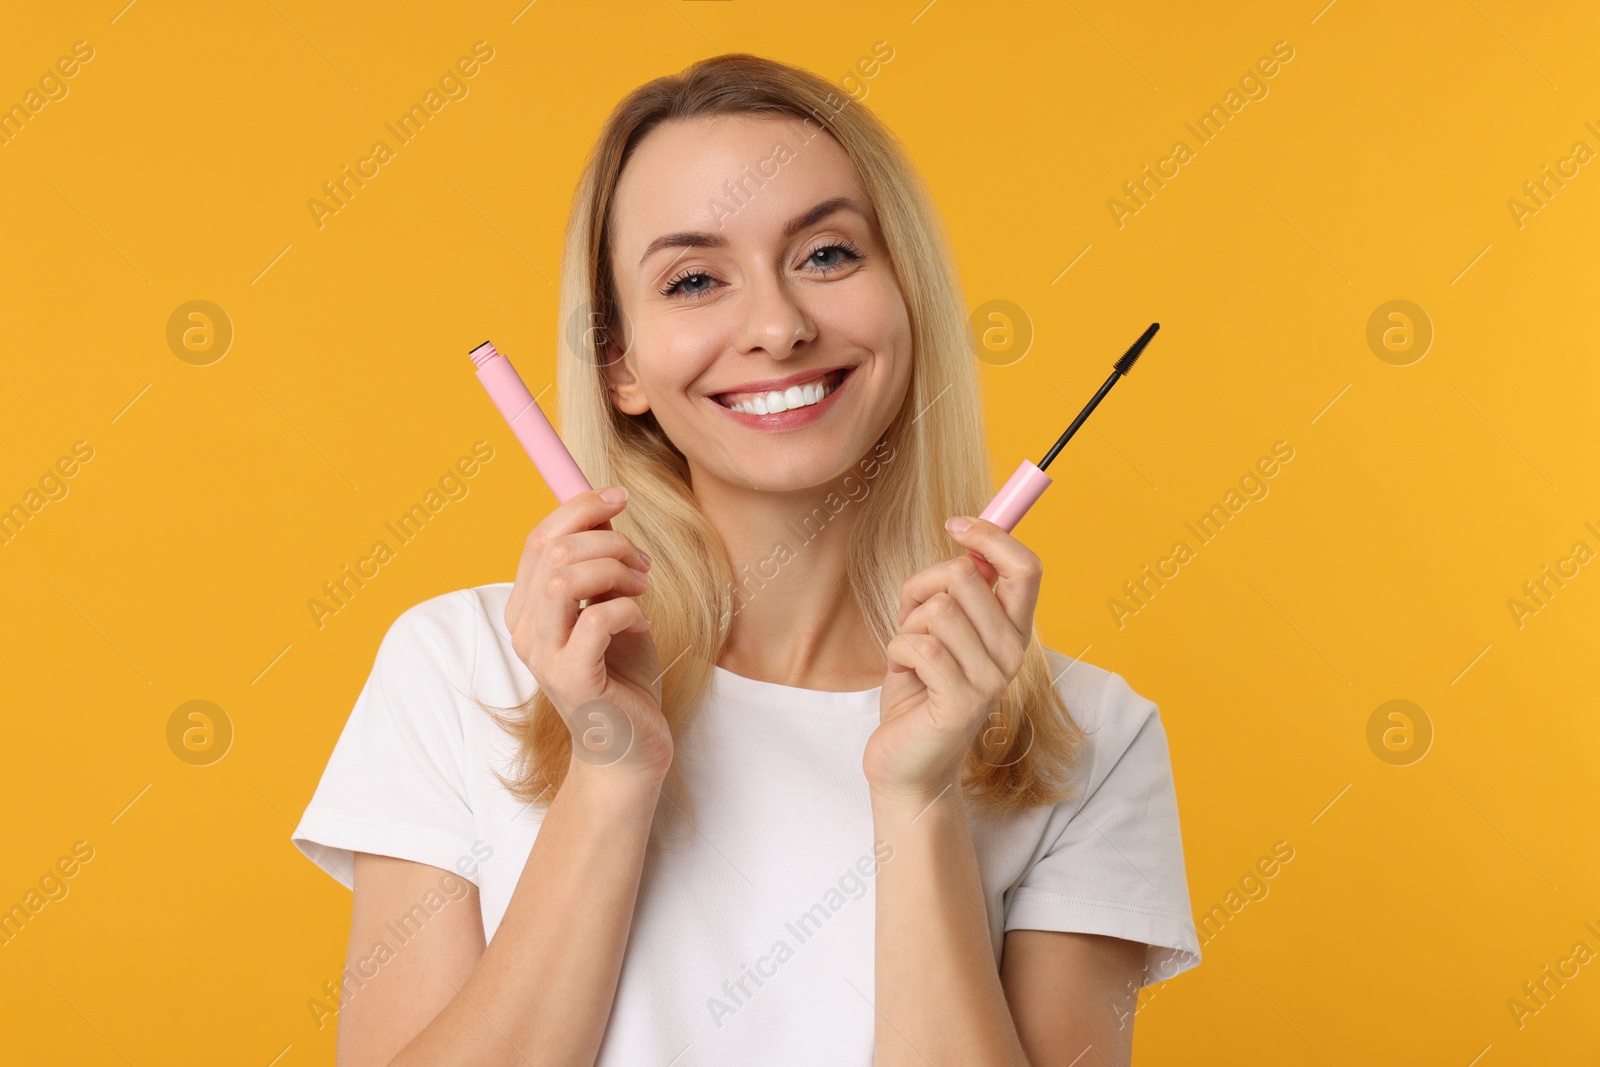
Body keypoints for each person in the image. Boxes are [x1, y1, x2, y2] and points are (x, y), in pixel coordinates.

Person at [292, 52, 1200, 1067]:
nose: (778, 326)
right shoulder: (462, 668)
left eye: (826, 256)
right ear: (619, 363)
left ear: (907, 296)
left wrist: (918, 797)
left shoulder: (1087, 742)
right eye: (692, 279)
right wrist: (610, 774)